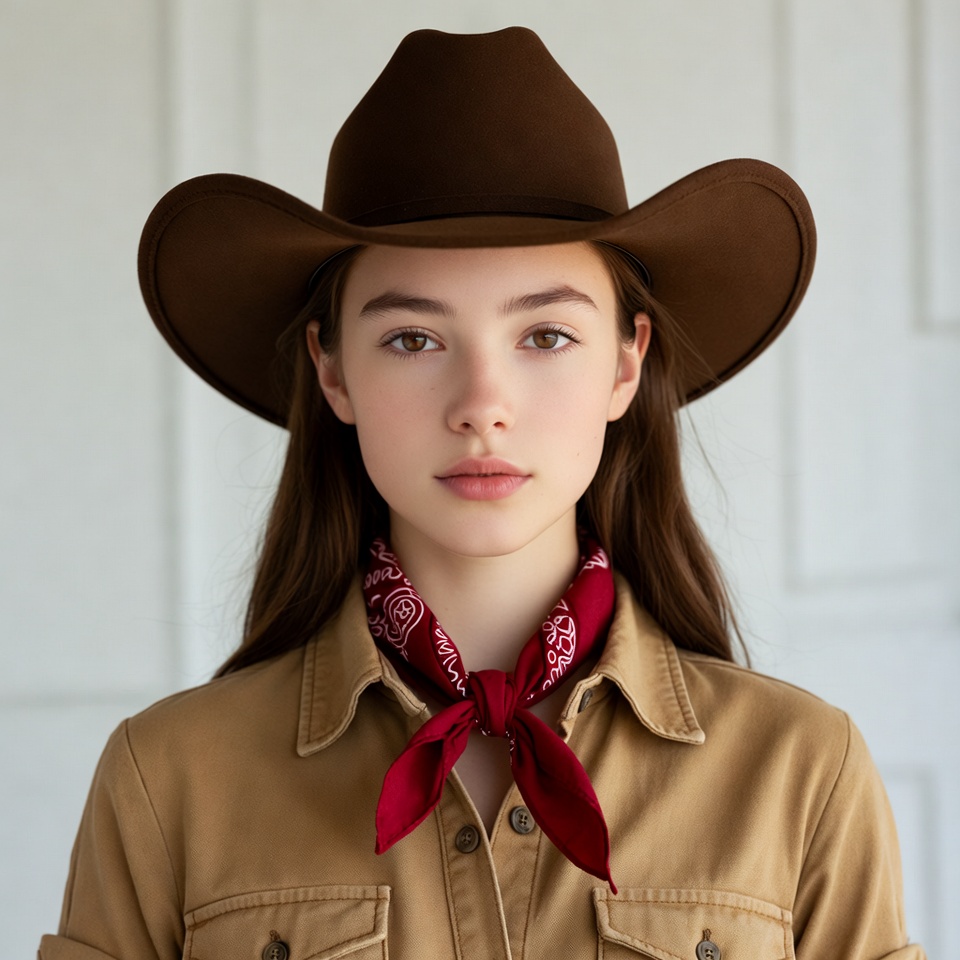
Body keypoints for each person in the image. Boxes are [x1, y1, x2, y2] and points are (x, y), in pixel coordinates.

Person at [40, 27, 923, 960]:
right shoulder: (168, 780)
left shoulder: (800, 772)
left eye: (545, 336)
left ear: (628, 364)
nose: (481, 408)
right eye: (413, 339)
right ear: (332, 373)